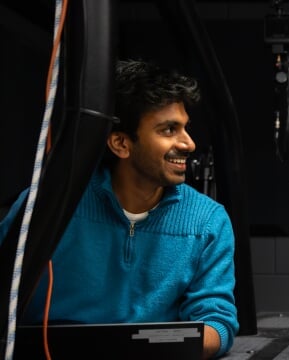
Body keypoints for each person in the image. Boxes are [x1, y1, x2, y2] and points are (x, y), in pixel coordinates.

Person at [0, 59, 239, 359]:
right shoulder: (46, 208)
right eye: (169, 130)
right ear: (121, 143)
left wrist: (173, 349)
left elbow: (217, 323)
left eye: (185, 128)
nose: (189, 143)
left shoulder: (207, 222)